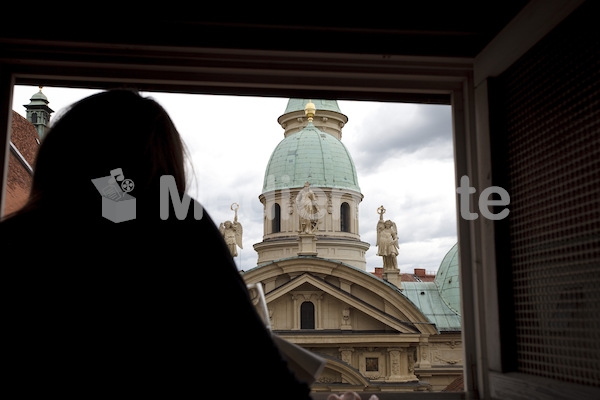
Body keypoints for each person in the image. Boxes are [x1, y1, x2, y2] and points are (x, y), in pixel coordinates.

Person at [1, 90, 310, 398]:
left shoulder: (16, 239)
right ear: (159, 165)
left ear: (59, 156)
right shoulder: (178, 229)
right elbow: (265, 376)